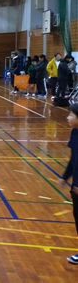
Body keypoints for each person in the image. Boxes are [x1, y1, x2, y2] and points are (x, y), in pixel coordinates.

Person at [62, 104, 78, 265]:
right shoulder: (74, 133)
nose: (68, 117)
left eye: (71, 115)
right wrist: (65, 177)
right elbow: (74, 159)